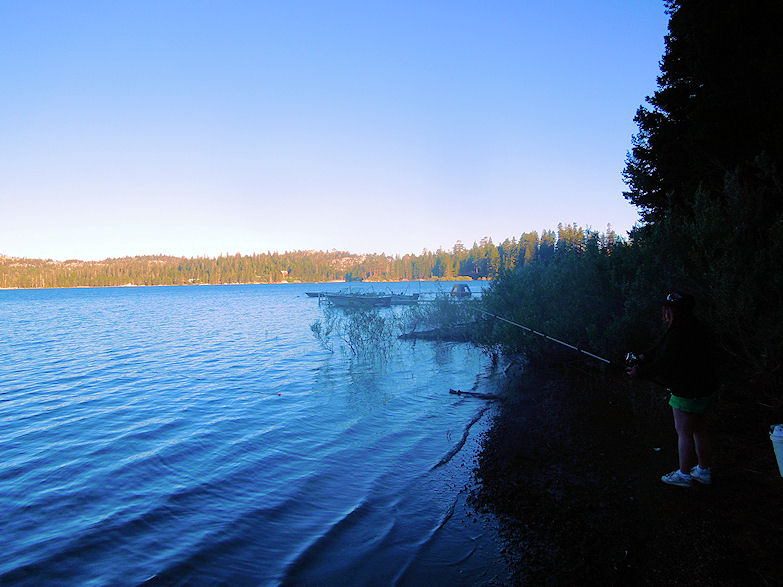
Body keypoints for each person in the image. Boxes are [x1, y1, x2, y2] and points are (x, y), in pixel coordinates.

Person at [626, 292, 718, 487]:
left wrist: (639, 373)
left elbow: (664, 361)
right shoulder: (697, 326)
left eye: (668, 308)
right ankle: (703, 471)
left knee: (684, 432)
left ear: (675, 311)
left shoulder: (678, 333)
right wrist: (642, 358)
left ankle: (684, 475)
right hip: (706, 389)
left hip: (686, 391)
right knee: (700, 430)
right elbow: (660, 349)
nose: (664, 312)